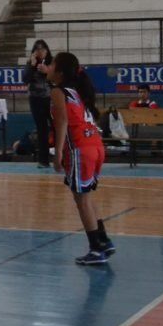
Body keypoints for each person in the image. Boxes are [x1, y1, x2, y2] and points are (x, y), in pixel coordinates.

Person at [46, 51, 115, 265]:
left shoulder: (58, 91)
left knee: (82, 200)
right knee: (85, 197)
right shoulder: (75, 90)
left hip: (80, 148)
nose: (48, 66)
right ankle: (103, 240)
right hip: (95, 146)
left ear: (60, 72)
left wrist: (57, 152)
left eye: (52, 64)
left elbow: (62, 122)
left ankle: (96, 249)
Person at [23, 39, 53, 168]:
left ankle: (62, 157)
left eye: (42, 49)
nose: (40, 52)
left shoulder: (52, 62)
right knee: (42, 129)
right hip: (35, 99)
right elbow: (25, 79)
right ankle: (43, 160)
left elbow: (59, 79)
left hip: (51, 99)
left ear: (47, 50)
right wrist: (32, 65)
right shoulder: (30, 63)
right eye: (37, 49)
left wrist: (48, 71)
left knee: (57, 127)